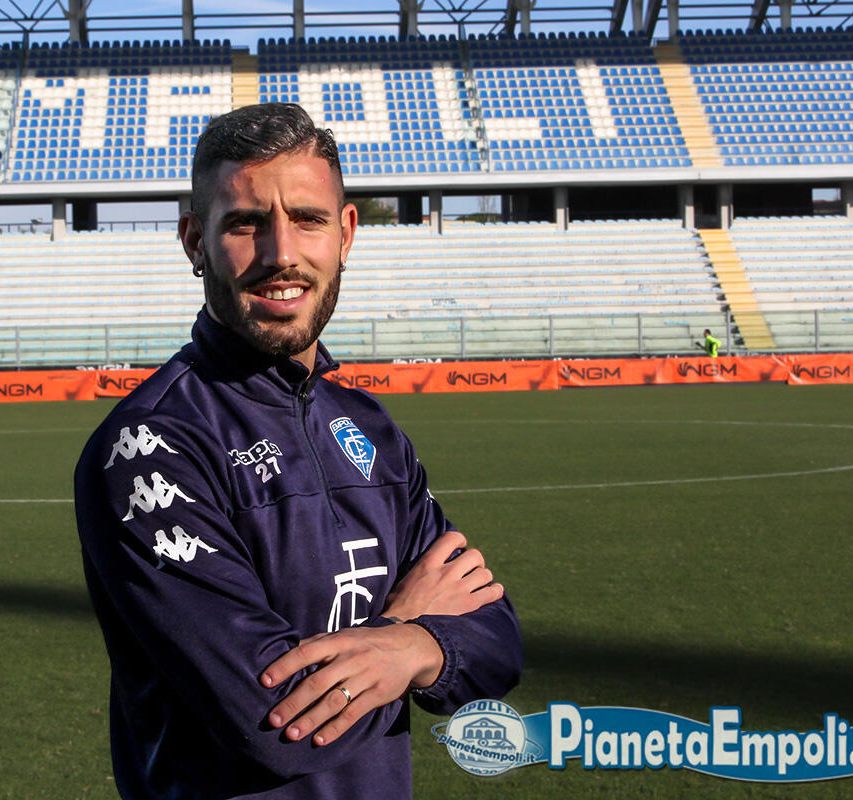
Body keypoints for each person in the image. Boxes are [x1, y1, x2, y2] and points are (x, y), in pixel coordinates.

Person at [74, 102, 522, 799]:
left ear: (346, 233)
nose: (281, 253)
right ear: (194, 241)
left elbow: (497, 640)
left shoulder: (371, 429)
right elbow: (271, 719)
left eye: (308, 219)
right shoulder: (148, 448)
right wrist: (406, 630)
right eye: (245, 223)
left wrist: (421, 647)